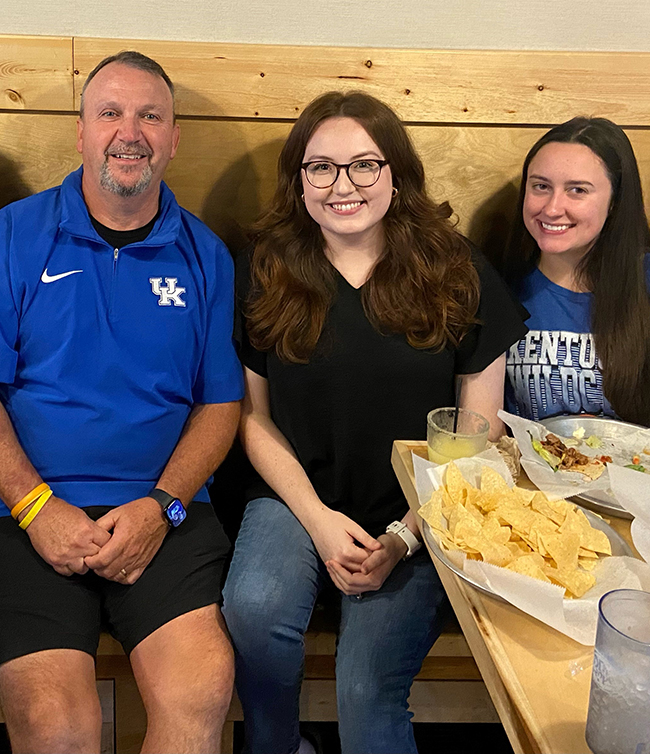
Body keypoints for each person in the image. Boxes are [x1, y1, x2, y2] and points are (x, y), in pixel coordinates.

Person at [0, 51, 241, 753]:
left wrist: (163, 506)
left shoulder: (206, 256)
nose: (130, 133)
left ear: (173, 136)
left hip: (163, 512)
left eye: (150, 116)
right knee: (56, 724)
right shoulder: (12, 235)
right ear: (81, 131)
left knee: (203, 690)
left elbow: (220, 407)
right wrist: (37, 507)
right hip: (17, 514)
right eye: (111, 114)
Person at [221, 91, 528, 754]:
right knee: (254, 609)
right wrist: (315, 516)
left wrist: (405, 538)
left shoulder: (459, 271)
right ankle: (275, 743)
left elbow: (480, 435)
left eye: (364, 165)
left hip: (422, 507)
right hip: (292, 491)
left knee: (364, 691)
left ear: (397, 173)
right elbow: (253, 417)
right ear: (297, 181)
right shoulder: (264, 271)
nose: (343, 186)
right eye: (320, 168)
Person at [490, 117, 650, 446]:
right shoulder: (500, 287)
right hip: (532, 490)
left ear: (616, 201)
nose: (552, 208)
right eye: (540, 186)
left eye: (577, 190)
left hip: (647, 489)